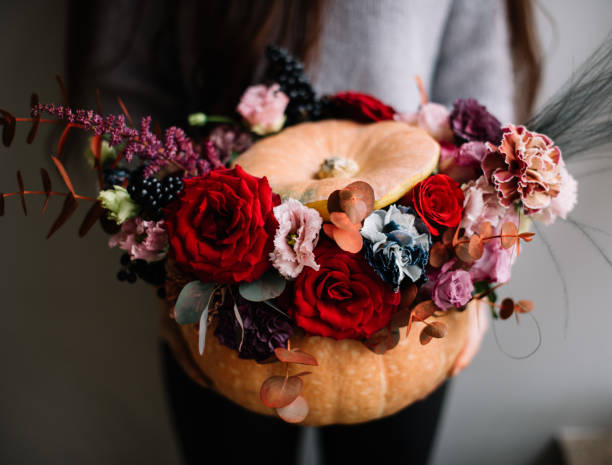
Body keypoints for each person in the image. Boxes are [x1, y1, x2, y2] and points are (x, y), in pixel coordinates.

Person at [66, 1, 540, 464]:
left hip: (411, 307)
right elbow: (125, 93)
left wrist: (478, 269)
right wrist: (166, 269)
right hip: (223, 299)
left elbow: (482, 100)